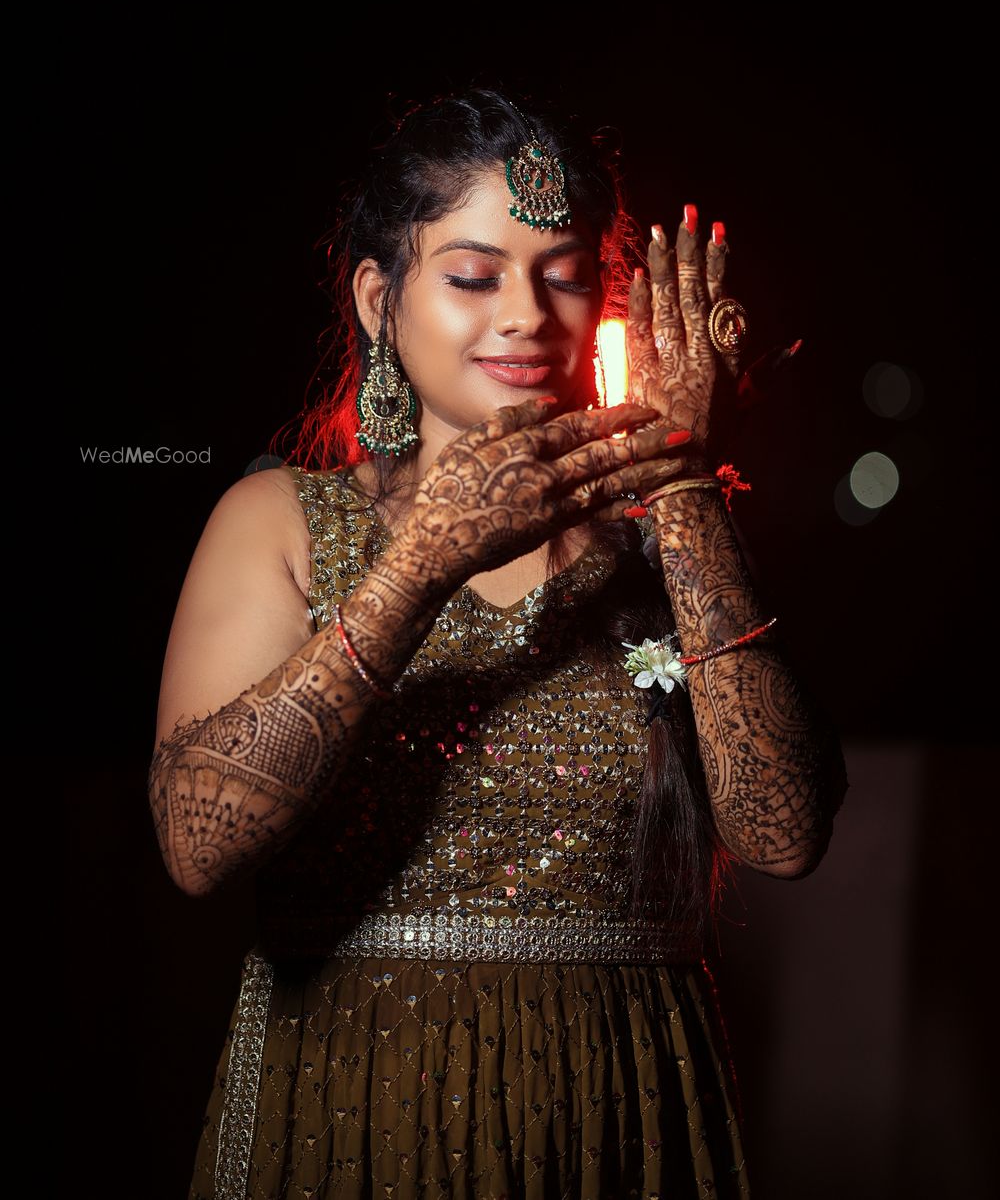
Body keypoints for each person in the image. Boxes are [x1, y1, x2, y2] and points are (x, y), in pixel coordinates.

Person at [148, 86, 846, 1199]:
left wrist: (683, 489)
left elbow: (782, 836)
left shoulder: (665, 541)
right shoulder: (286, 519)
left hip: (623, 1101)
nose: (525, 314)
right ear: (380, 299)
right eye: (472, 276)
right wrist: (420, 565)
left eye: (565, 274)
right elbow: (197, 845)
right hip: (358, 1095)